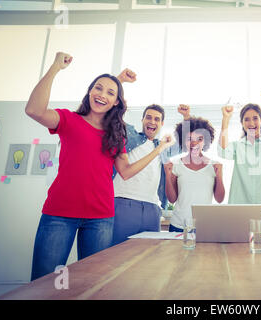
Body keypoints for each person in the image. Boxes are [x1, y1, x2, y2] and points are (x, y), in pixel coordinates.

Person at [26, 52, 173, 280]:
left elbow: (125, 171)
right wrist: (55, 68)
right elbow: (34, 110)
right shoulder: (69, 120)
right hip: (59, 214)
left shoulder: (116, 134)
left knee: (93, 283)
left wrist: (158, 149)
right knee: (44, 282)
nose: (102, 94)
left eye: (110, 92)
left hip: (101, 218)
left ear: (116, 102)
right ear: (90, 92)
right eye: (98, 88)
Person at [111, 96, 191, 245]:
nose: (152, 122)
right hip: (124, 203)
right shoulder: (130, 136)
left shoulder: (161, 147)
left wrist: (186, 118)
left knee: (148, 258)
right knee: (116, 256)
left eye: (156, 119)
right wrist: (120, 102)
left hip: (152, 209)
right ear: (142, 120)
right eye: (148, 117)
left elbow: (184, 145)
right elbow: (115, 120)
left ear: (161, 124)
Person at [218, 103, 261, 233]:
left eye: (255, 118)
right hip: (239, 209)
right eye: (246, 119)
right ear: (242, 123)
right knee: (237, 251)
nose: (251, 123)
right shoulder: (237, 146)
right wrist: (225, 118)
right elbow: (222, 151)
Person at [164, 117, 225, 232]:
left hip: (205, 227)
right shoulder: (176, 165)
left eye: (199, 139)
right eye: (189, 139)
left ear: (206, 140)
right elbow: (172, 199)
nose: (194, 143)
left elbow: (219, 199)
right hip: (179, 225)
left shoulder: (214, 166)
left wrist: (219, 176)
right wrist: (167, 175)